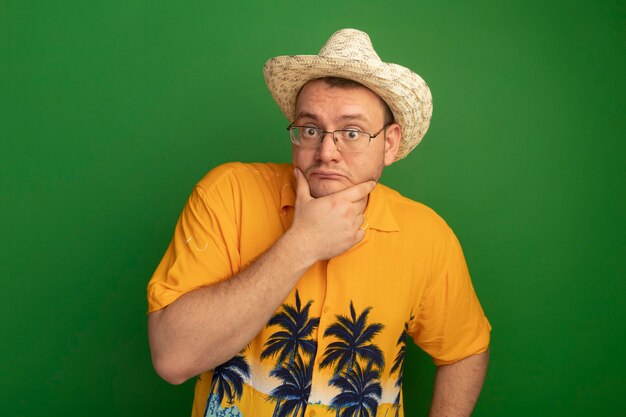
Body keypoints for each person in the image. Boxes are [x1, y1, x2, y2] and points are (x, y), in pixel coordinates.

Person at [147, 28, 491, 417]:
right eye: (310, 129)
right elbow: (173, 359)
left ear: (390, 143)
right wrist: (304, 242)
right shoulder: (227, 194)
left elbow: (466, 350)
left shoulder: (428, 236)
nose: (327, 152)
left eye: (352, 132)